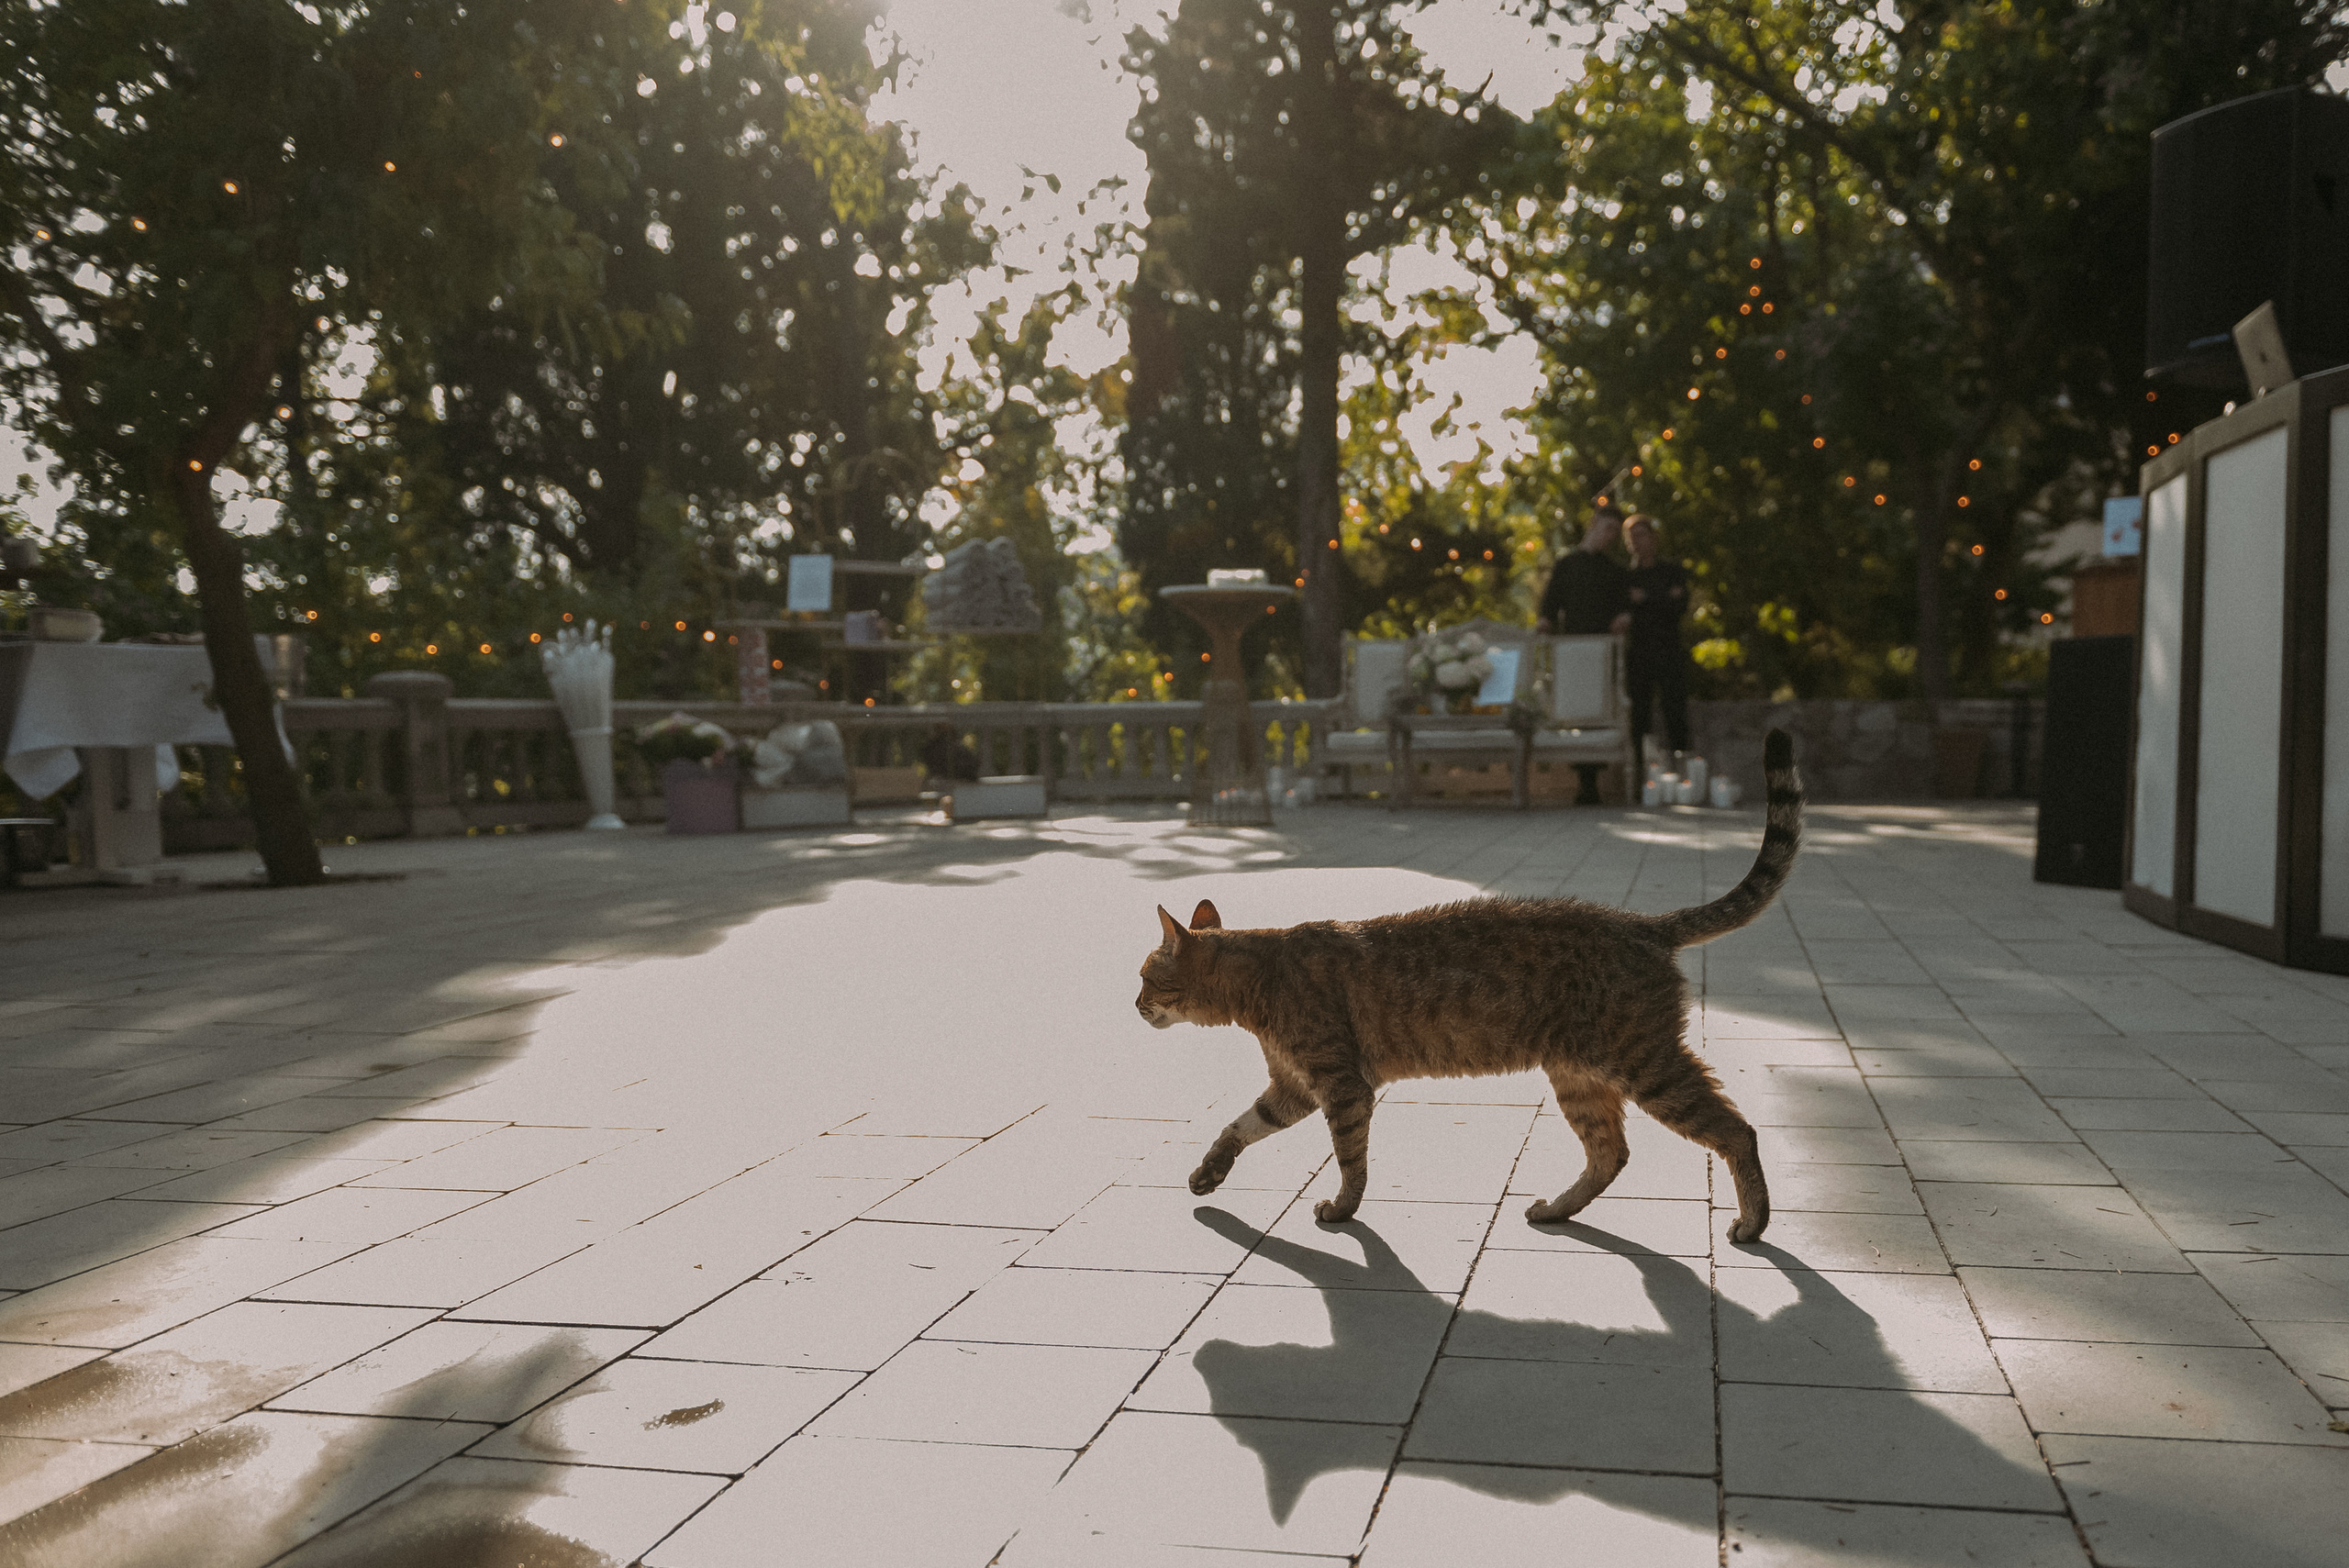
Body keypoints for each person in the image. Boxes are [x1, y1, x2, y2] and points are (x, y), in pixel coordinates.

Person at [1623, 512, 1691, 765]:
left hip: (1669, 649)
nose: (1636, 542)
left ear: (1653, 537)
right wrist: (1663, 598)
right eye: (1631, 538)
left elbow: (1679, 605)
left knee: (1675, 709)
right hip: (1640, 653)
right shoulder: (1627, 578)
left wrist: (1646, 599)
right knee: (1639, 714)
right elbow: (1628, 609)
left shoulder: (1672, 572)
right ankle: (1642, 773)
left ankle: (1682, 767)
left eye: (1641, 535)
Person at [1536, 504, 1631, 637]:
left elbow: (1623, 606)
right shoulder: (1566, 564)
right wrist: (1544, 624)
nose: (1610, 536)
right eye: (1608, 528)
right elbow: (1551, 603)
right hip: (1571, 640)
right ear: (1594, 522)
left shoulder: (1616, 570)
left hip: (1603, 642)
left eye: (1615, 531)